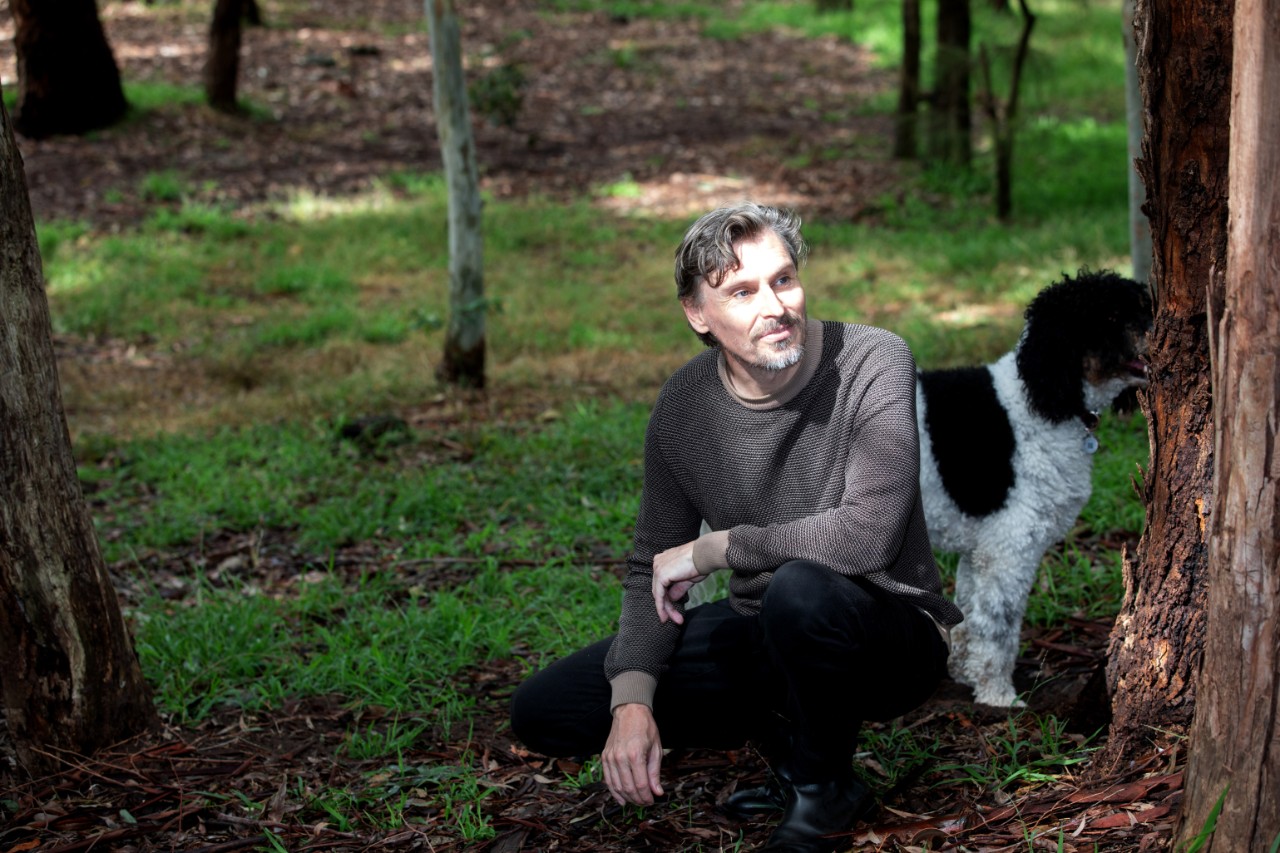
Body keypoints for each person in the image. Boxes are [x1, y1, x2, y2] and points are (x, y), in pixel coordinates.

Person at [510, 203, 962, 853]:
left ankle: (822, 787)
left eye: (784, 280)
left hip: (886, 633)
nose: (773, 306)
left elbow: (868, 535)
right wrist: (633, 698)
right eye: (741, 291)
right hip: (765, 629)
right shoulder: (684, 406)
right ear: (698, 314)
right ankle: (786, 738)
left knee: (800, 591)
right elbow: (649, 565)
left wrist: (718, 547)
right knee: (547, 707)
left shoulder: (873, 359)